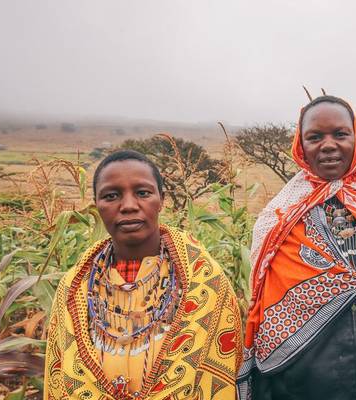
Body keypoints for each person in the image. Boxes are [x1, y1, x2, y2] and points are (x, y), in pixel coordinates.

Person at [237, 96, 356, 399]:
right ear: (301, 145)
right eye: (315, 137)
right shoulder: (279, 216)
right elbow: (262, 299)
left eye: (340, 134)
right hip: (298, 376)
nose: (328, 145)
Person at [43, 150, 241, 400]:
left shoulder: (204, 280)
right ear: (96, 204)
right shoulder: (75, 287)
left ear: (161, 199)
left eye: (143, 193)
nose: (128, 206)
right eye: (111, 196)